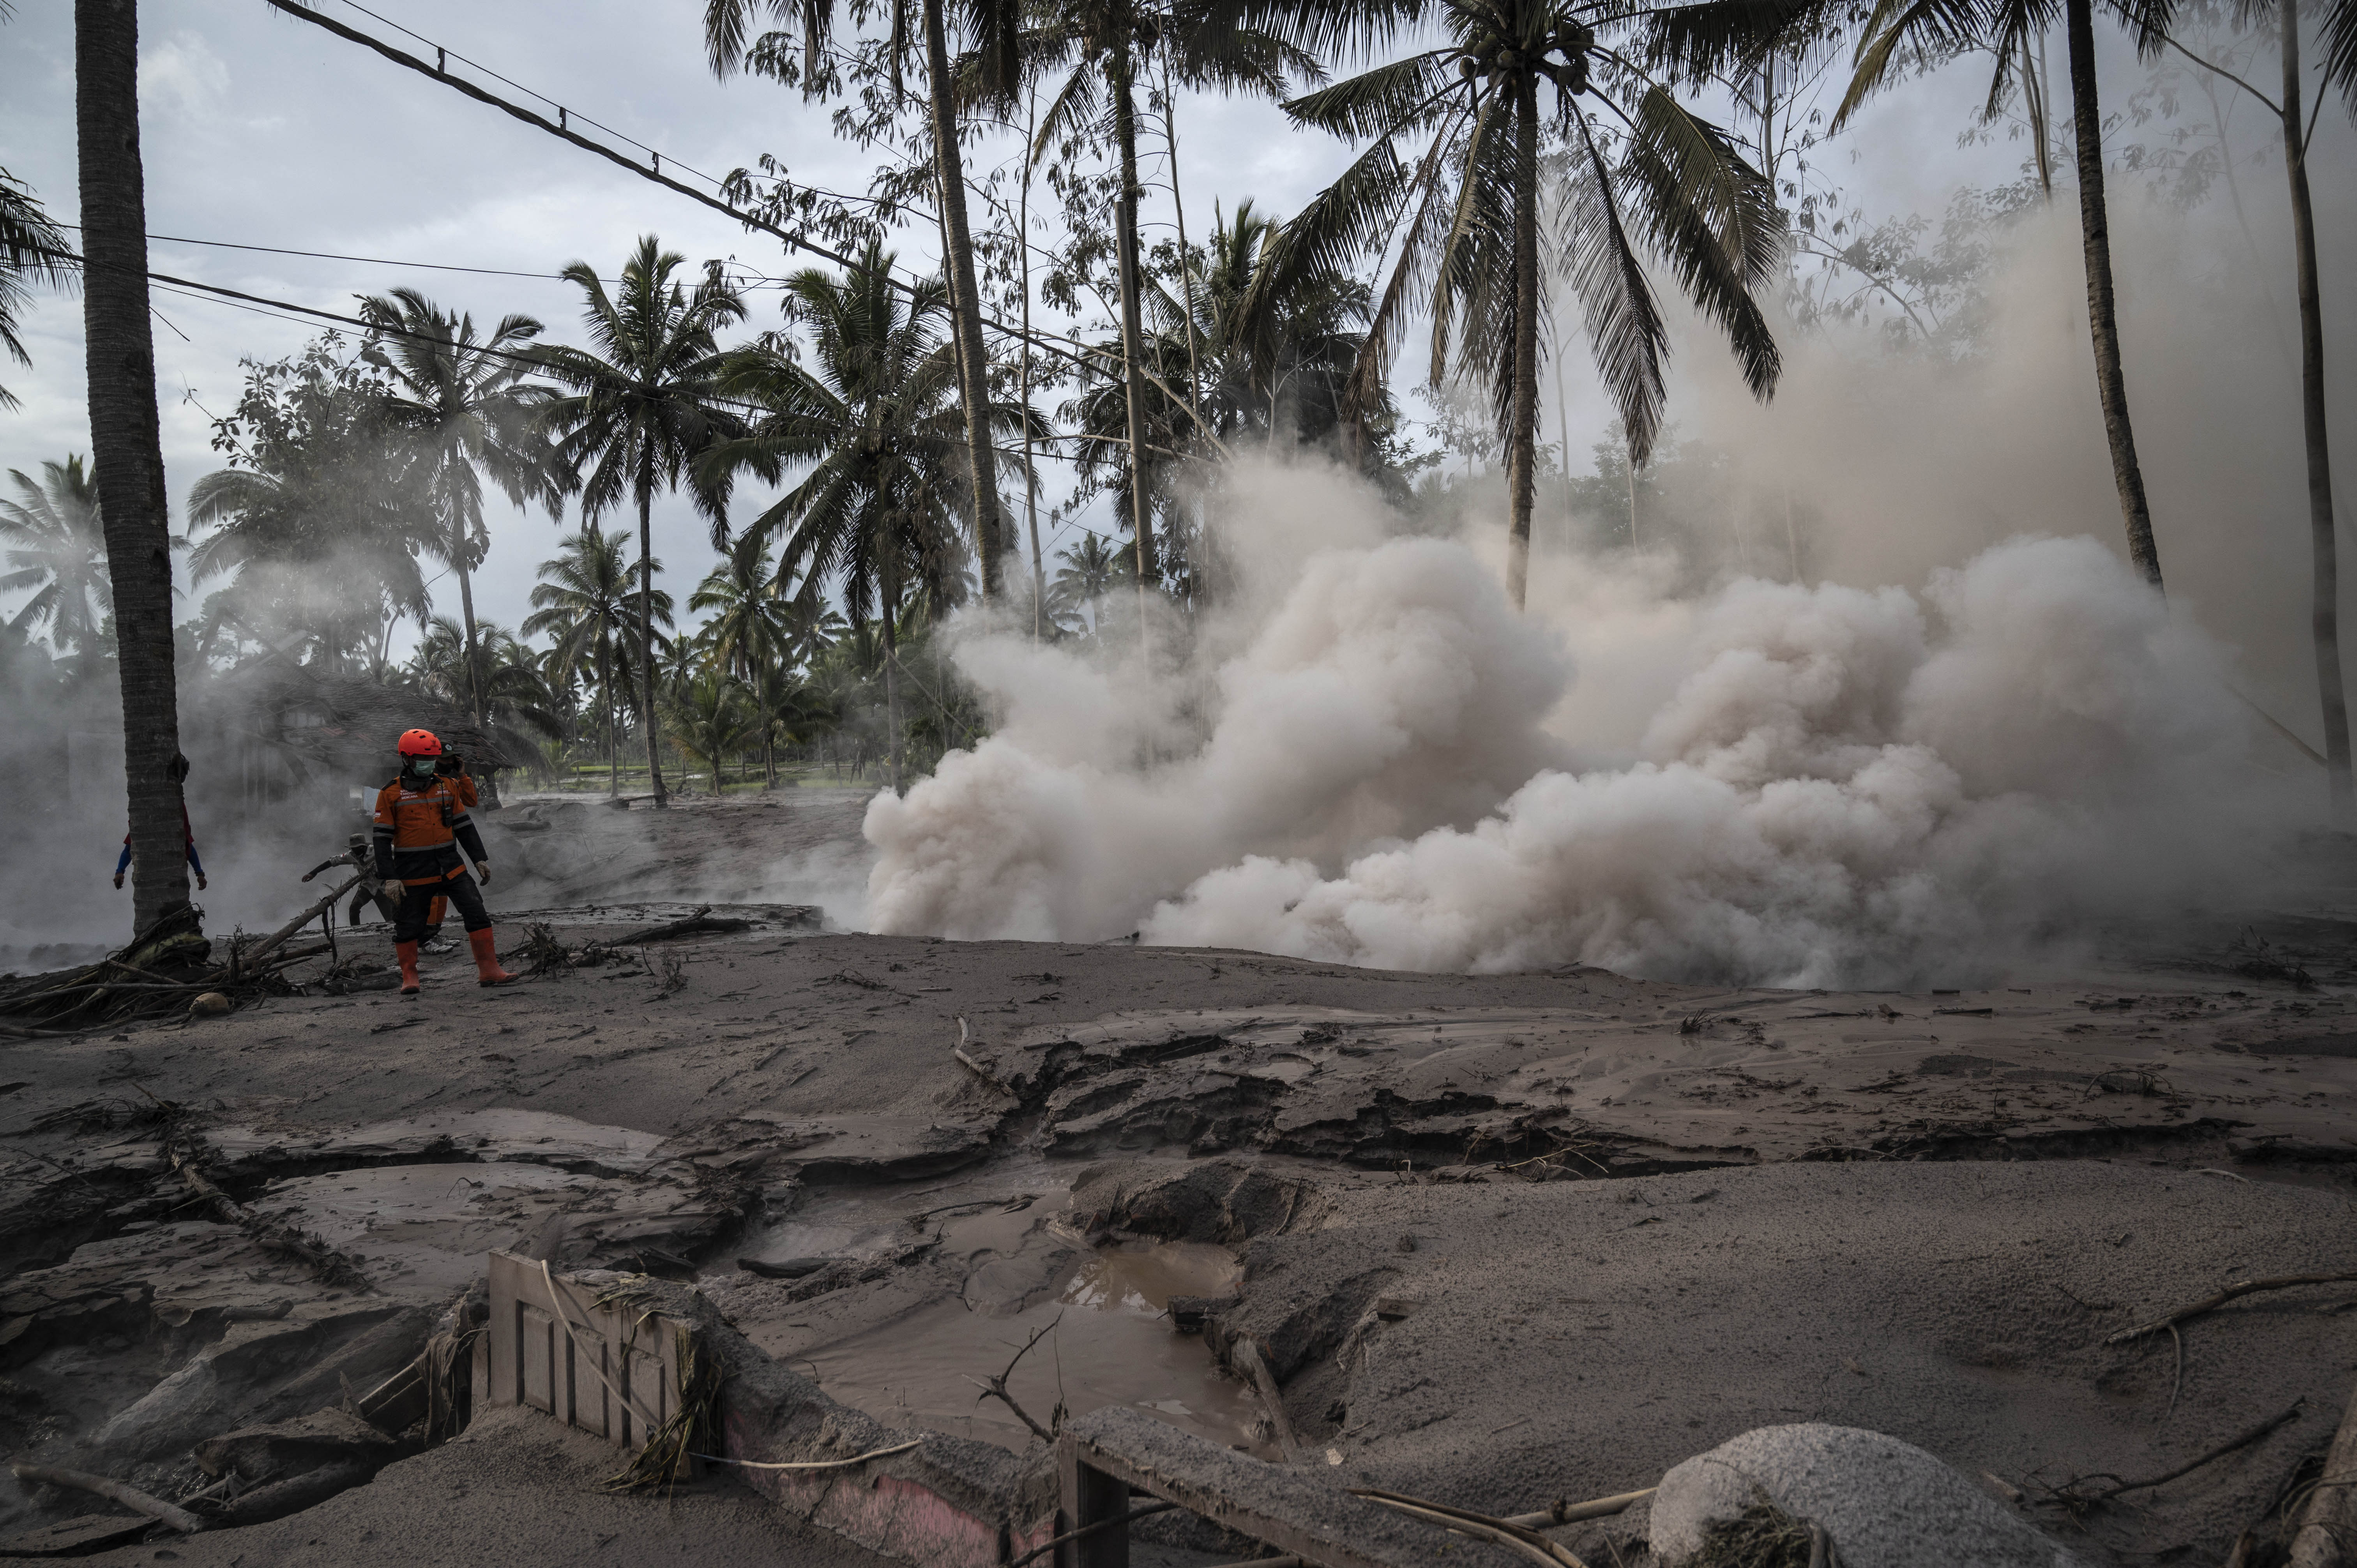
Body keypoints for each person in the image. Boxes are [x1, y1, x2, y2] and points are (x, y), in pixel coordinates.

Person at [373, 728, 515, 994]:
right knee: (409, 925)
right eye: (421, 759)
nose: (428, 764)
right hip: (413, 870)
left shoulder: (447, 786)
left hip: (451, 865)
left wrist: (479, 859)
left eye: (432, 759)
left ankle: (490, 970)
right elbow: (381, 840)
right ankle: (410, 977)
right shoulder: (390, 793)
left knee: (476, 912)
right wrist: (389, 877)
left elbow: (464, 826)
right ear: (406, 759)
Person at [113, 752, 207, 892]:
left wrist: (199, 873)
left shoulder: (175, 807)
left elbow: (186, 842)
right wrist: (120, 871)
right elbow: (133, 844)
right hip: (155, 880)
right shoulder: (150, 807)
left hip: (168, 880)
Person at [415, 750, 478, 955]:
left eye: (452, 759)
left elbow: (471, 801)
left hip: (446, 849)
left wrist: (462, 775)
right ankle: (425, 940)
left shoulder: (450, 785)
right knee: (430, 897)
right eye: (444, 759)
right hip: (424, 852)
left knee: (442, 895)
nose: (448, 763)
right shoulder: (417, 784)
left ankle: (435, 934)